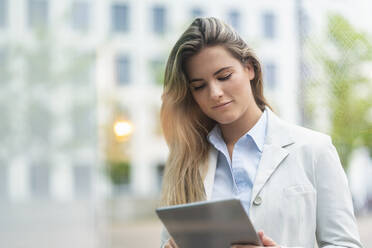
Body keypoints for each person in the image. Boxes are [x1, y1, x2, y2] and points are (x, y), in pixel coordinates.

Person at [159, 17, 363, 248]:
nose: (214, 92)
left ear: (250, 69)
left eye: (224, 76)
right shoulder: (184, 164)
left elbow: (346, 245)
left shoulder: (314, 149)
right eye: (199, 86)